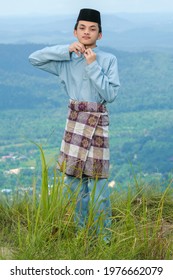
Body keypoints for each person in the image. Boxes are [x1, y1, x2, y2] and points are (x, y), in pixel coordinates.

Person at [29, 8, 120, 242]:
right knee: (73, 182)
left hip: (98, 122)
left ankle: (105, 238)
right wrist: (65, 49)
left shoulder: (108, 60)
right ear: (75, 31)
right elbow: (34, 59)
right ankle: (82, 234)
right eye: (82, 28)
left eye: (92, 29)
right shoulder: (65, 60)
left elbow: (110, 95)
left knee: (98, 182)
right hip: (74, 122)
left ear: (100, 35)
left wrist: (92, 66)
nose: (87, 32)